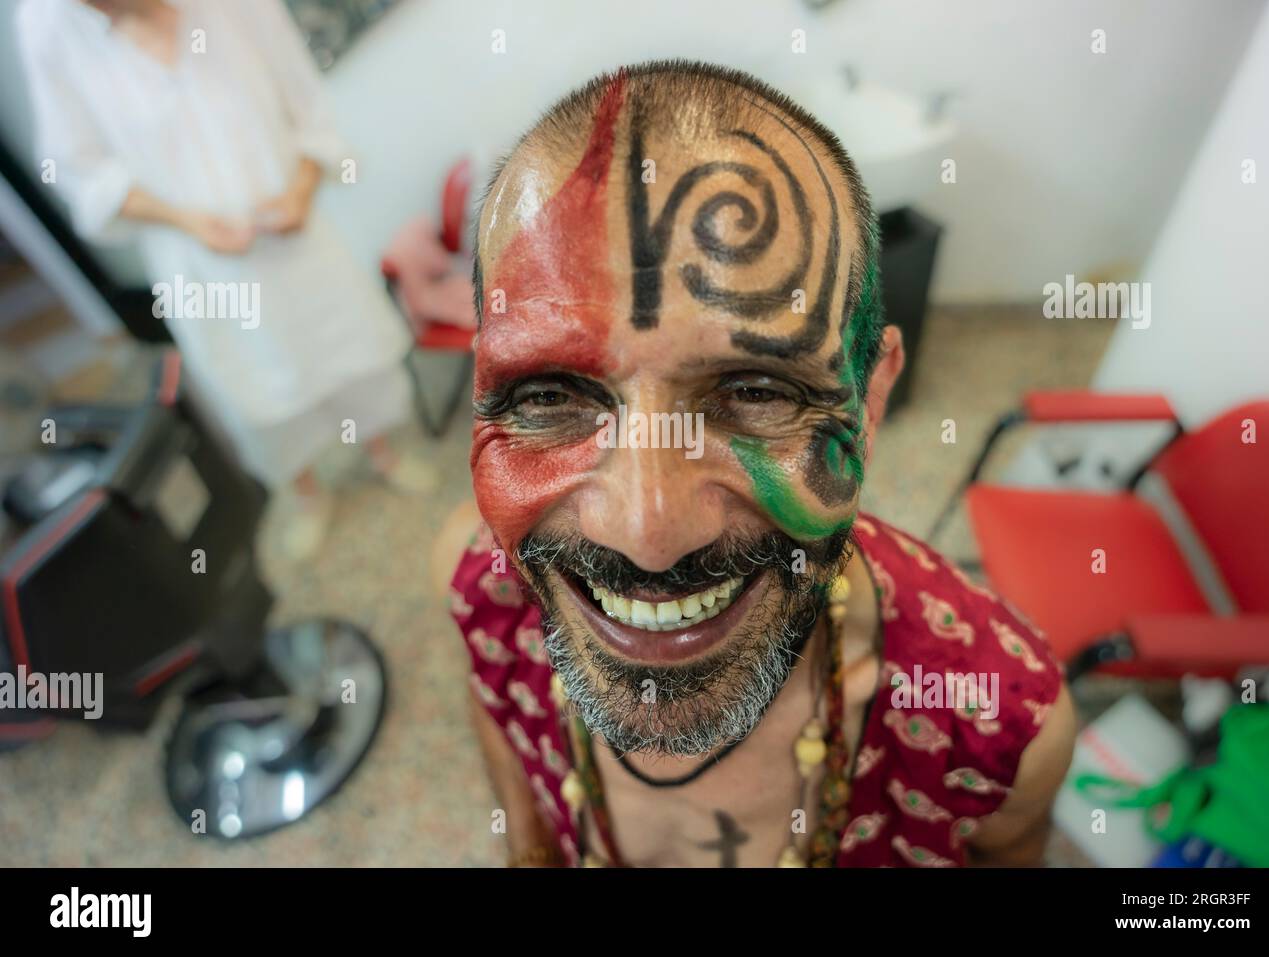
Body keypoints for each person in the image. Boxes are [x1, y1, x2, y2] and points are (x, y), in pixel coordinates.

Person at [432, 61, 1076, 867]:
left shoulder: (989, 726)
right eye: (549, 394)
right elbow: (493, 702)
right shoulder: (488, 589)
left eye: (756, 390)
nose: (646, 535)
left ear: (870, 399)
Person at [17, 0, 435, 560]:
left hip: (293, 229)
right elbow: (81, 171)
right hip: (197, 258)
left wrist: (300, 191)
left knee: (344, 347)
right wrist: (187, 220)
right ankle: (308, 494)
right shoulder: (44, 28)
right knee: (256, 382)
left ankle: (382, 451)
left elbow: (304, 100)